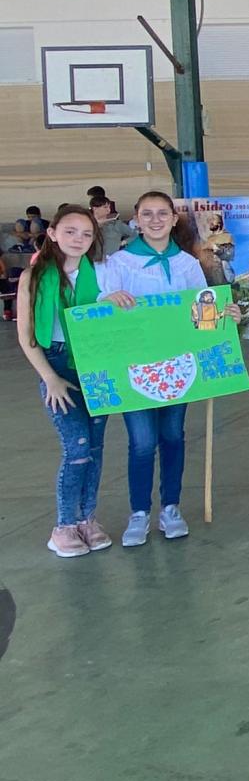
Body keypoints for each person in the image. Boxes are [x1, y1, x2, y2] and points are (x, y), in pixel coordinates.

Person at [105, 190, 216, 548]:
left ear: (173, 218)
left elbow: (204, 315)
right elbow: (101, 316)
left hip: (175, 368)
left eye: (162, 213)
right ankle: (139, 511)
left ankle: (171, 506)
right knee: (141, 442)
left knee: (172, 436)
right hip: (134, 368)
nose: (155, 220)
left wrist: (221, 316)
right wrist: (107, 300)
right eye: (147, 214)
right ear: (136, 219)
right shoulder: (118, 264)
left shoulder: (186, 264)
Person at [15, 205, 119, 557]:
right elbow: (26, 336)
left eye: (87, 234)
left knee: (95, 448)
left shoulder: (103, 275)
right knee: (75, 448)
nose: (79, 239)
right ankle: (63, 525)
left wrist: (120, 304)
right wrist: (51, 379)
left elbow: (118, 319)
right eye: (71, 231)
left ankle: (87, 519)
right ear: (53, 233)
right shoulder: (34, 277)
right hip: (57, 362)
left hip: (97, 364)